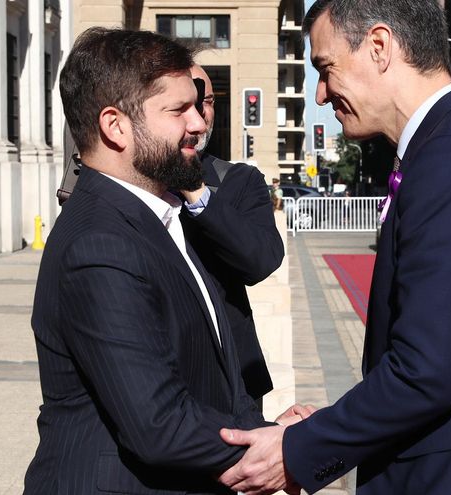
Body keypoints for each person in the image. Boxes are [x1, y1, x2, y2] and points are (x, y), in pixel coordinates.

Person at [217, 1, 451, 494]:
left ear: (379, 47)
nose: (320, 94)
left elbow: (426, 373)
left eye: (325, 68)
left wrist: (299, 448)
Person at [24, 28, 302, 494]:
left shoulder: (158, 214)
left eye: (198, 105)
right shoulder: (101, 243)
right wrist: (280, 449)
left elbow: (195, 377)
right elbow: (158, 424)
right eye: (178, 110)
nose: (198, 123)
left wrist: (266, 429)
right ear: (116, 127)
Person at [180, 64, 285, 405]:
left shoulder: (239, 180)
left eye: (206, 101)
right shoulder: (138, 182)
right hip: (164, 380)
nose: (200, 113)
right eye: (184, 102)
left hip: (234, 383)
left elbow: (261, 261)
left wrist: (196, 193)